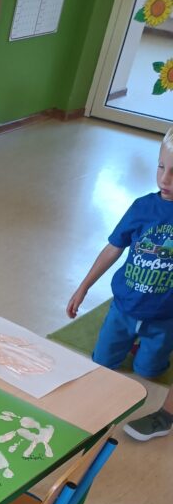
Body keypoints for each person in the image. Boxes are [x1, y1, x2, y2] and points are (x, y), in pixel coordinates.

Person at [67, 125, 173, 379]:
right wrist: (83, 287)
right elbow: (113, 248)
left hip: (165, 318)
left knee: (148, 372)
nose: (164, 179)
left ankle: (143, 349)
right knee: (102, 363)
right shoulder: (141, 208)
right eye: (161, 167)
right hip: (124, 307)